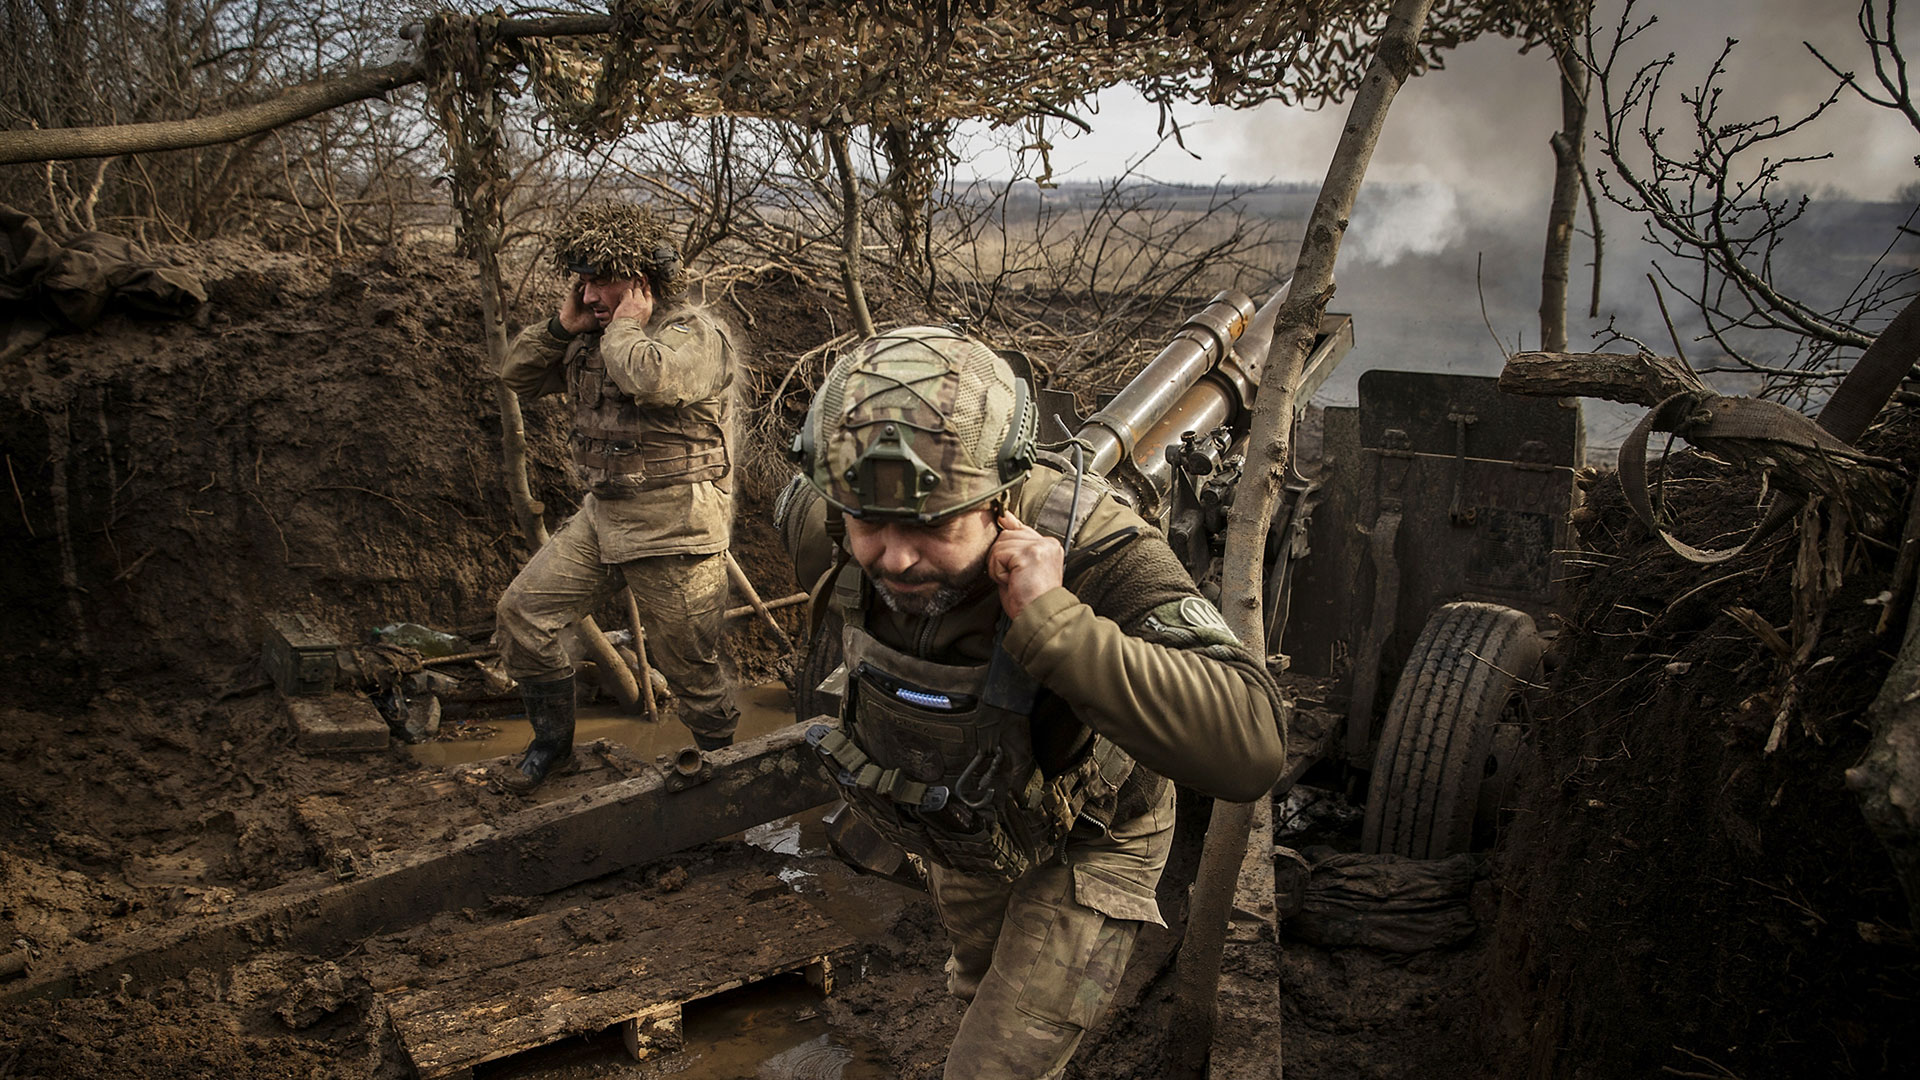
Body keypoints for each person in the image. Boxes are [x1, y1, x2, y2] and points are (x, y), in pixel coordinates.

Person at [774, 325, 1288, 1079]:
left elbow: (1253, 740)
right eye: (868, 525)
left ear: (1002, 497)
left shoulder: (1098, 546)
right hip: (966, 815)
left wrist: (1057, 624)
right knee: (979, 989)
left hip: (1093, 832)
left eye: (930, 527)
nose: (894, 557)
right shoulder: (821, 512)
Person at [492, 203, 742, 792]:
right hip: (602, 520)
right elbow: (515, 376)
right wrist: (562, 329)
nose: (587, 293)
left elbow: (650, 378)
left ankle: (726, 776)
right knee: (522, 615)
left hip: (676, 528)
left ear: (643, 282)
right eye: (580, 279)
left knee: (693, 673)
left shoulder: (695, 335)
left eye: (601, 280)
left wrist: (625, 323)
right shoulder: (592, 337)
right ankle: (552, 746)